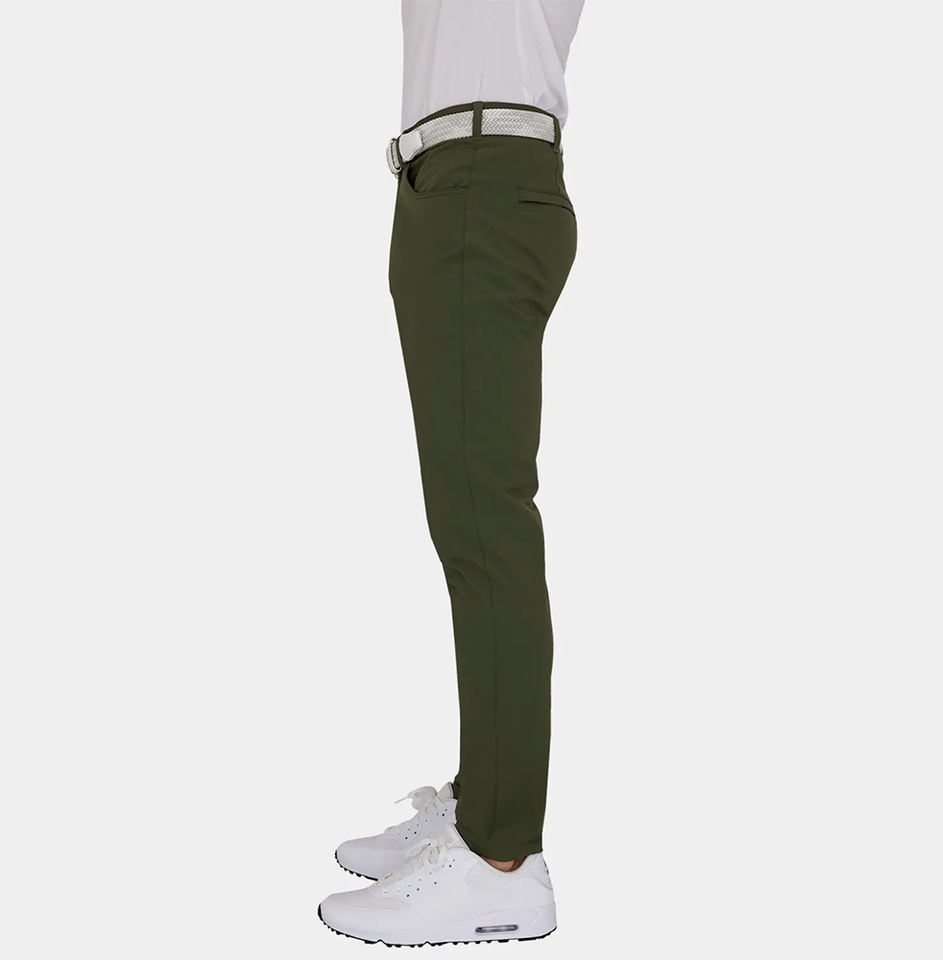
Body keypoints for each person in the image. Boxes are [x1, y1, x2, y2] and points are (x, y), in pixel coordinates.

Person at [319, 1, 584, 946]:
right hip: (443, 182)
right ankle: (483, 804)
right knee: (467, 523)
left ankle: (502, 859)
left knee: (485, 525)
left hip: (485, 179)